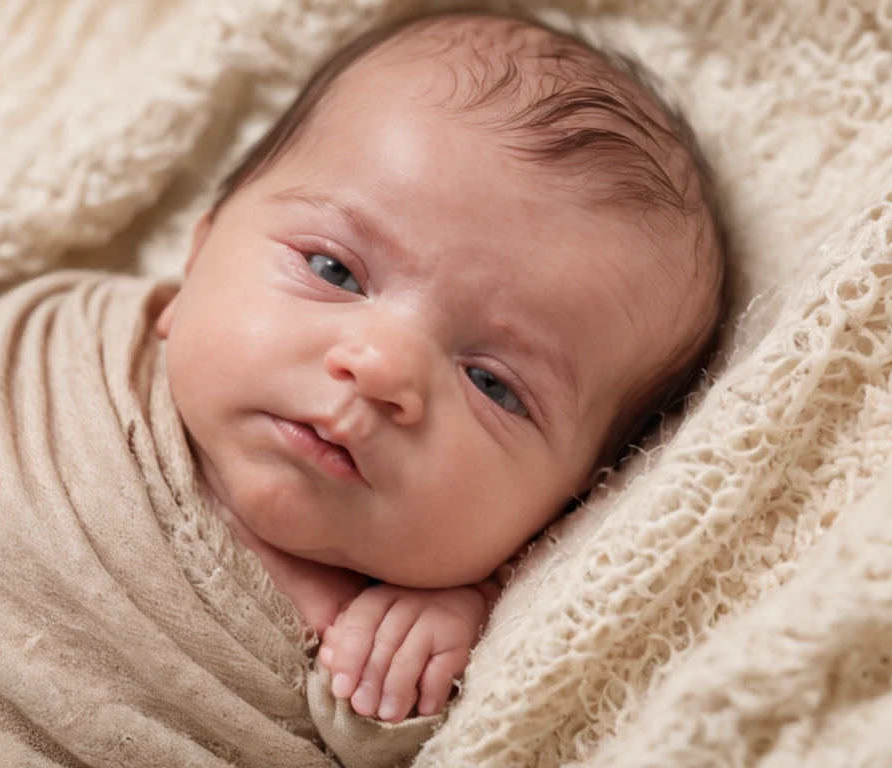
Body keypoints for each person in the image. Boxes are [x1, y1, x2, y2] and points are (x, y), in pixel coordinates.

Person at [155, 9, 726, 724]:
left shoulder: (398, 656)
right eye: (334, 270)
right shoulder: (66, 334)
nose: (382, 369)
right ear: (196, 258)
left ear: (564, 512)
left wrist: (463, 630)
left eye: (493, 385)